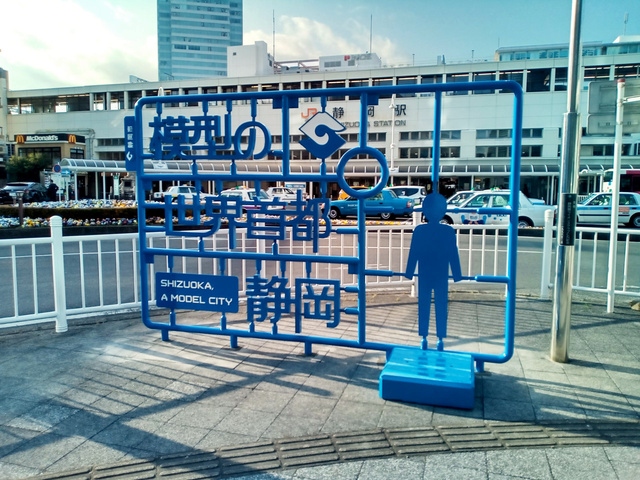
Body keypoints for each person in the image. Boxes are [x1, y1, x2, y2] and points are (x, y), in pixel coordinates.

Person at [405, 193, 462, 350]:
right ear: (443, 211)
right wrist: (457, 274)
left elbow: (413, 253)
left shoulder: (420, 230)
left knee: (424, 305)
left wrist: (409, 272)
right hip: (441, 273)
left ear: (425, 211)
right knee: (441, 306)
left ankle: (424, 338)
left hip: (425, 272)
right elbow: (453, 254)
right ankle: (440, 338)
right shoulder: (448, 231)